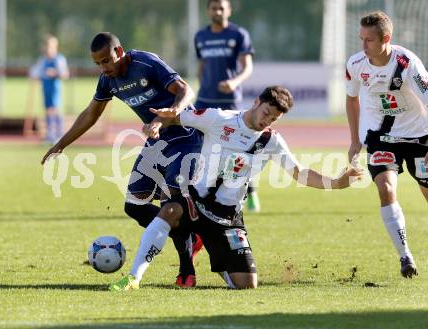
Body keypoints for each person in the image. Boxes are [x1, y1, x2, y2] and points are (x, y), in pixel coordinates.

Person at [109, 85, 363, 290]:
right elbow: (175, 116)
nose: (267, 121)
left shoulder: (271, 141)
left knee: (246, 285)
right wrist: (156, 124)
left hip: (227, 217)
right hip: (195, 202)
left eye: (274, 118)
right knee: (169, 211)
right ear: (256, 103)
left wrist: (338, 182)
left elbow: (300, 173)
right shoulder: (219, 118)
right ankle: (134, 278)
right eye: (266, 113)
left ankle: (215, 254)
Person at [41, 32, 203, 288]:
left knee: (172, 202)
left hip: (185, 137)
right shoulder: (108, 80)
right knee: (135, 207)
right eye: (98, 63)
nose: (104, 68)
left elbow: (185, 89)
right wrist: (61, 144)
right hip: (156, 142)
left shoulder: (146, 63)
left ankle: (186, 270)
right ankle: (189, 235)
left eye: (107, 60)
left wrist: (169, 113)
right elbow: (91, 114)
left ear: (120, 51)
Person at [345, 11, 428, 278]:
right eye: (361, 39)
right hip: (381, 137)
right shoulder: (356, 63)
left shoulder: (407, 63)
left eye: (369, 40)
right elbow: (351, 99)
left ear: (386, 39)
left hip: (418, 136)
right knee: (386, 187)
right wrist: (354, 139)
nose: (363, 46)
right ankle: (405, 256)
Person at [194, 0, 260, 212]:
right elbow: (201, 67)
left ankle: (250, 193)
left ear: (229, 10)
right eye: (214, 7)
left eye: (222, 7)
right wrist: (203, 85)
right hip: (204, 101)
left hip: (230, 101)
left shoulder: (239, 35)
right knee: (196, 146)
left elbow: (247, 67)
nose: (218, 11)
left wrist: (234, 82)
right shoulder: (200, 36)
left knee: (239, 149)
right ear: (208, 11)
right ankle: (196, 193)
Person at [30, 35, 70, 144]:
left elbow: (65, 74)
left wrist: (55, 73)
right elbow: (35, 72)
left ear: (56, 47)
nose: (48, 49)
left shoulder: (59, 59)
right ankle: (50, 135)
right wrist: (36, 75)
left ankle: (59, 135)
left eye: (51, 47)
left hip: (55, 88)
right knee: (48, 110)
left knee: (55, 109)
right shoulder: (42, 60)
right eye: (47, 47)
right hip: (45, 88)